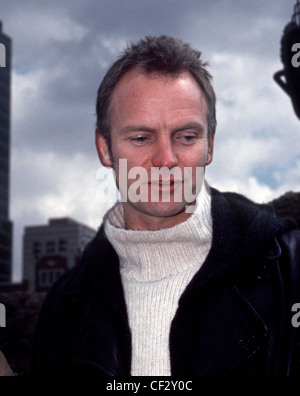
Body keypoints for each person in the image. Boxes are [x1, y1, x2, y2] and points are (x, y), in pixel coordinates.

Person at [32, 35, 300, 376]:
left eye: (186, 137)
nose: (166, 159)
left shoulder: (289, 268)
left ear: (210, 145)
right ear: (104, 148)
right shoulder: (66, 305)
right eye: (141, 138)